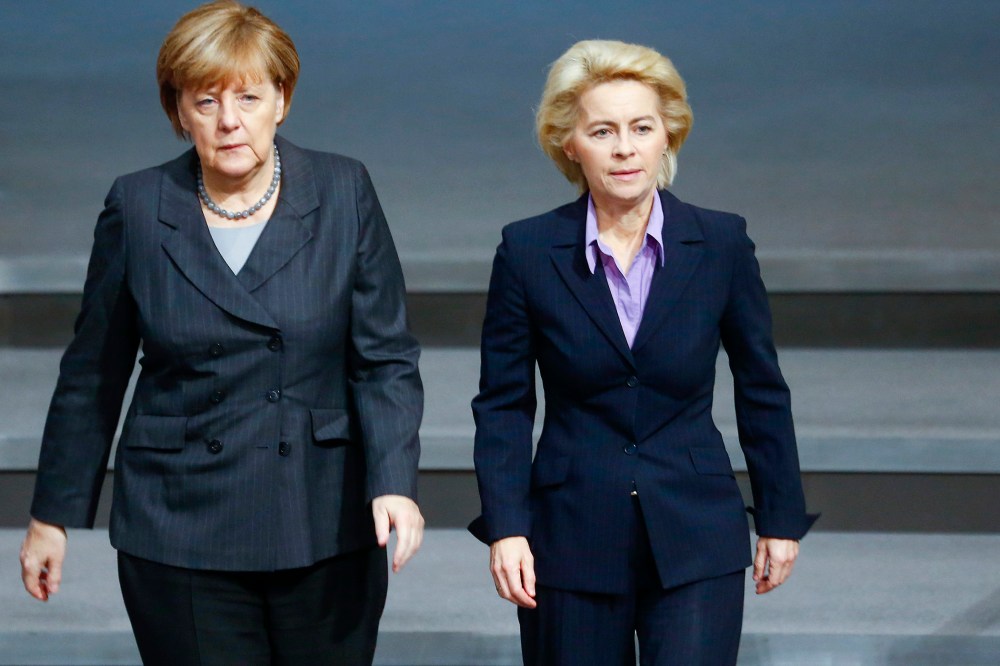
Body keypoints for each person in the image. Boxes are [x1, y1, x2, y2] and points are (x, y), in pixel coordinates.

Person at [18, 2, 424, 663]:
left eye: (249, 97)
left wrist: (395, 481)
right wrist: (52, 516)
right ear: (179, 111)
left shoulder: (343, 191)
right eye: (205, 101)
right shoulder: (140, 207)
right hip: (181, 524)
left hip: (321, 516)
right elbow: (94, 371)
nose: (229, 120)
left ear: (282, 100)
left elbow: (385, 360)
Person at [470, 39, 817, 665]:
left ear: (668, 136)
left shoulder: (721, 243)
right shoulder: (526, 251)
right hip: (569, 537)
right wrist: (507, 527)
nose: (625, 148)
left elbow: (762, 387)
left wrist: (780, 515)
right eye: (602, 130)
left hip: (695, 532)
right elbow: (503, 405)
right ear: (569, 144)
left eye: (641, 127)